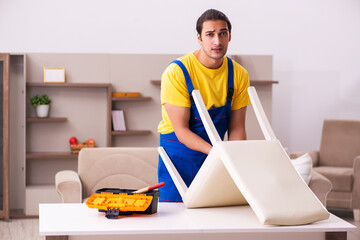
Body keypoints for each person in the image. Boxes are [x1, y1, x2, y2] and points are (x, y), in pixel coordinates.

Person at [157, 9, 251, 202]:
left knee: (214, 217)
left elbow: (237, 128)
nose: (217, 41)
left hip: (215, 156)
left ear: (229, 36)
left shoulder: (239, 74)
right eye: (210, 34)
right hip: (179, 154)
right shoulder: (177, 72)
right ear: (199, 38)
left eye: (222, 33)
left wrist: (234, 158)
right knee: (175, 219)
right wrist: (218, 154)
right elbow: (181, 130)